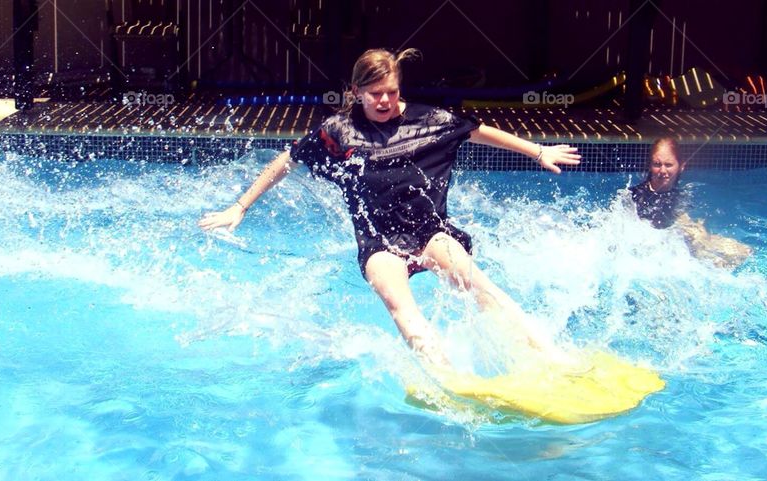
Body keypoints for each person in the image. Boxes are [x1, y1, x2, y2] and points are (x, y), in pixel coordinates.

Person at [199, 48, 581, 368]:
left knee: (474, 281)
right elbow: (286, 161)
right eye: (375, 93)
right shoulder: (338, 132)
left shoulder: (429, 120)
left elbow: (478, 132)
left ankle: (551, 358)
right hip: (379, 241)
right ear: (355, 91)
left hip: (431, 231)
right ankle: (449, 379)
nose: (385, 101)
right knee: (400, 305)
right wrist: (239, 207)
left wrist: (539, 150)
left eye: (392, 92)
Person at [629, 138, 751, 268]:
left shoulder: (680, 194)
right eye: (657, 164)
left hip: (675, 240)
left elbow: (680, 218)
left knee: (744, 251)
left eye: (668, 165)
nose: (662, 171)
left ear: (681, 166)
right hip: (654, 246)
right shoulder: (636, 195)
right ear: (650, 166)